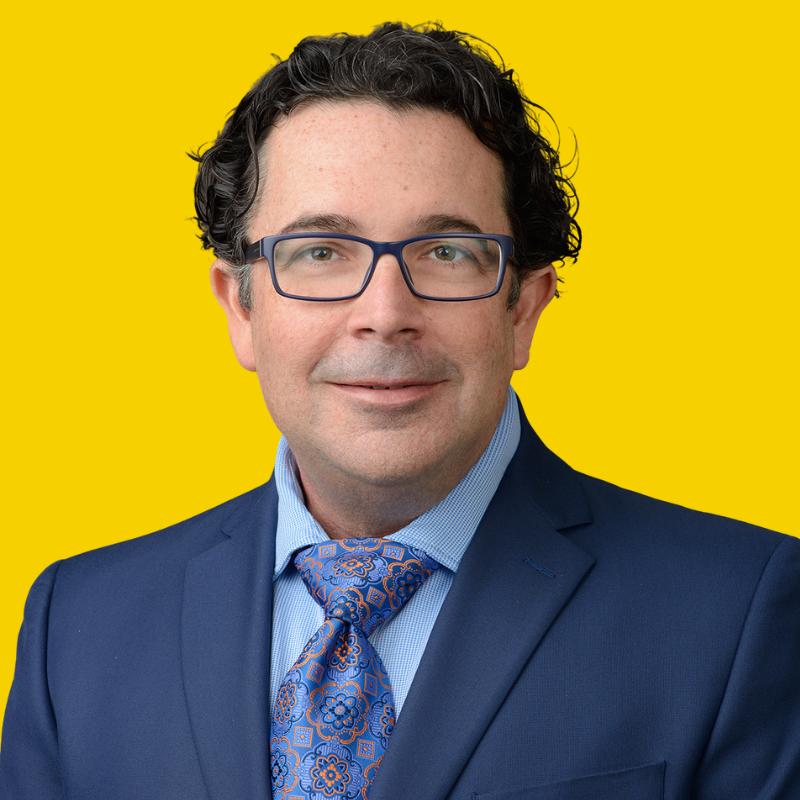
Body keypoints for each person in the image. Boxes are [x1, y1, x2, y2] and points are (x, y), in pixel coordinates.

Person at [2, 21, 798, 800]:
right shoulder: (76, 627)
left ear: (524, 307)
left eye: (447, 253)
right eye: (320, 251)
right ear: (239, 307)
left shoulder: (737, 616)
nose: (385, 314)